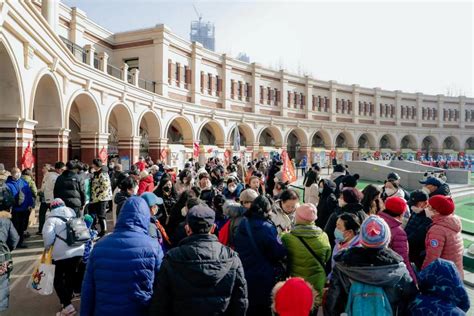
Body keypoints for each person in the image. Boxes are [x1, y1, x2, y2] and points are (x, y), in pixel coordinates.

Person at [149, 204, 248, 315]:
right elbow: (240, 302)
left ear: (187, 228)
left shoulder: (172, 258)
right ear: (213, 228)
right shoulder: (232, 258)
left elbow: (160, 304)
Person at [81, 197, 163, 316]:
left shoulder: (99, 247)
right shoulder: (153, 247)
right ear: (145, 217)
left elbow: (88, 290)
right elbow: (161, 288)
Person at [324, 216, 417, 316]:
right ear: (386, 239)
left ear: (362, 238)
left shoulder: (343, 265)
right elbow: (409, 303)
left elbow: (333, 303)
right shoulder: (399, 269)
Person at [234, 195, 287, 316]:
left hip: (244, 272)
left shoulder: (243, 224)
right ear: (267, 210)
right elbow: (278, 252)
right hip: (263, 276)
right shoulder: (267, 227)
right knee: (264, 308)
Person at [281, 203, 330, 308]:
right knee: (313, 308)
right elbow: (327, 257)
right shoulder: (323, 236)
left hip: (296, 283)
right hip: (317, 283)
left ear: (299, 218)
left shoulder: (288, 238)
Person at [42, 198, 85, 316]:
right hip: (79, 251)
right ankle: (68, 299)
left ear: (52, 208)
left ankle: (67, 306)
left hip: (61, 255)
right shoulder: (74, 216)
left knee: (57, 279)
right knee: (70, 276)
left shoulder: (51, 220)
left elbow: (48, 240)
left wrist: (47, 247)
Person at [422, 195, 464, 278]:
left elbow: (432, 257)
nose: (425, 208)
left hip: (444, 276)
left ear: (437, 211)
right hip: (455, 273)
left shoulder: (437, 230)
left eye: (428, 206)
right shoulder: (452, 222)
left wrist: (423, 274)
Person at [378, 196, 417, 283]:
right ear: (401, 213)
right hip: (389, 274)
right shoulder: (398, 232)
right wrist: (413, 281)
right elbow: (403, 259)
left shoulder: (375, 221)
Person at [0, 185, 19, 313]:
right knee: (1, 285)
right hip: (2, 257)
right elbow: (14, 239)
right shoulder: (5, 221)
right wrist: (7, 249)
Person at [5, 167, 34, 248]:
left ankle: (20, 242)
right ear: (12, 174)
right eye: (15, 172)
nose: (18, 174)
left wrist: (30, 204)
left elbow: (29, 194)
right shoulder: (7, 184)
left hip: (24, 208)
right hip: (14, 209)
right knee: (15, 227)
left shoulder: (23, 182)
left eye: (19, 172)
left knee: (22, 227)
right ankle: (14, 242)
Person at [404, 189, 431, 270]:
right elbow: (408, 227)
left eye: (416, 204)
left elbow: (418, 237)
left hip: (417, 255)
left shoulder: (429, 218)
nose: (412, 206)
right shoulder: (416, 211)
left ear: (425, 203)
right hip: (408, 250)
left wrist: (403, 241)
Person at [89, 159, 112, 236]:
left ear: (95, 165)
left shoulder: (102, 174)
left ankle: (103, 230)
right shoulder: (97, 173)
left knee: (101, 215)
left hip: (102, 197)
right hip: (97, 197)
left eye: (93, 164)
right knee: (96, 213)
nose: (92, 166)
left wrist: (97, 190)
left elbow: (105, 186)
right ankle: (95, 228)